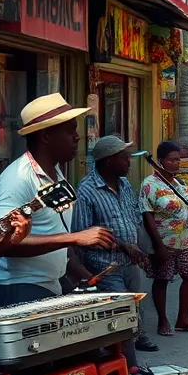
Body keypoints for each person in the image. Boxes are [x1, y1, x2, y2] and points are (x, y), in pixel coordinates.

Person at [0, 93, 114, 307]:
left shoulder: (55, 171)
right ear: (46, 136)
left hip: (48, 284)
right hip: (18, 288)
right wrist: (74, 238)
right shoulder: (16, 179)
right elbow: (1, 243)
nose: (77, 137)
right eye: (70, 131)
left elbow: (52, 234)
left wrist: (82, 275)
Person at [72, 135, 158, 361]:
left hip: (130, 262)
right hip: (105, 266)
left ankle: (132, 352)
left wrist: (140, 249)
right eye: (124, 158)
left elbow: (132, 218)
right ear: (109, 161)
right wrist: (122, 245)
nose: (129, 162)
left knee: (135, 310)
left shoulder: (125, 184)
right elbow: (83, 233)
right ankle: (130, 367)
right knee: (121, 319)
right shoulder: (87, 190)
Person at [140, 141, 188, 337]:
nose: (176, 163)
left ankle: (183, 317)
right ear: (160, 161)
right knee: (162, 279)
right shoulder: (150, 184)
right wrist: (158, 246)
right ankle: (162, 320)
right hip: (164, 242)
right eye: (171, 160)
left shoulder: (178, 183)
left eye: (178, 160)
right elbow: (147, 215)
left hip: (185, 240)